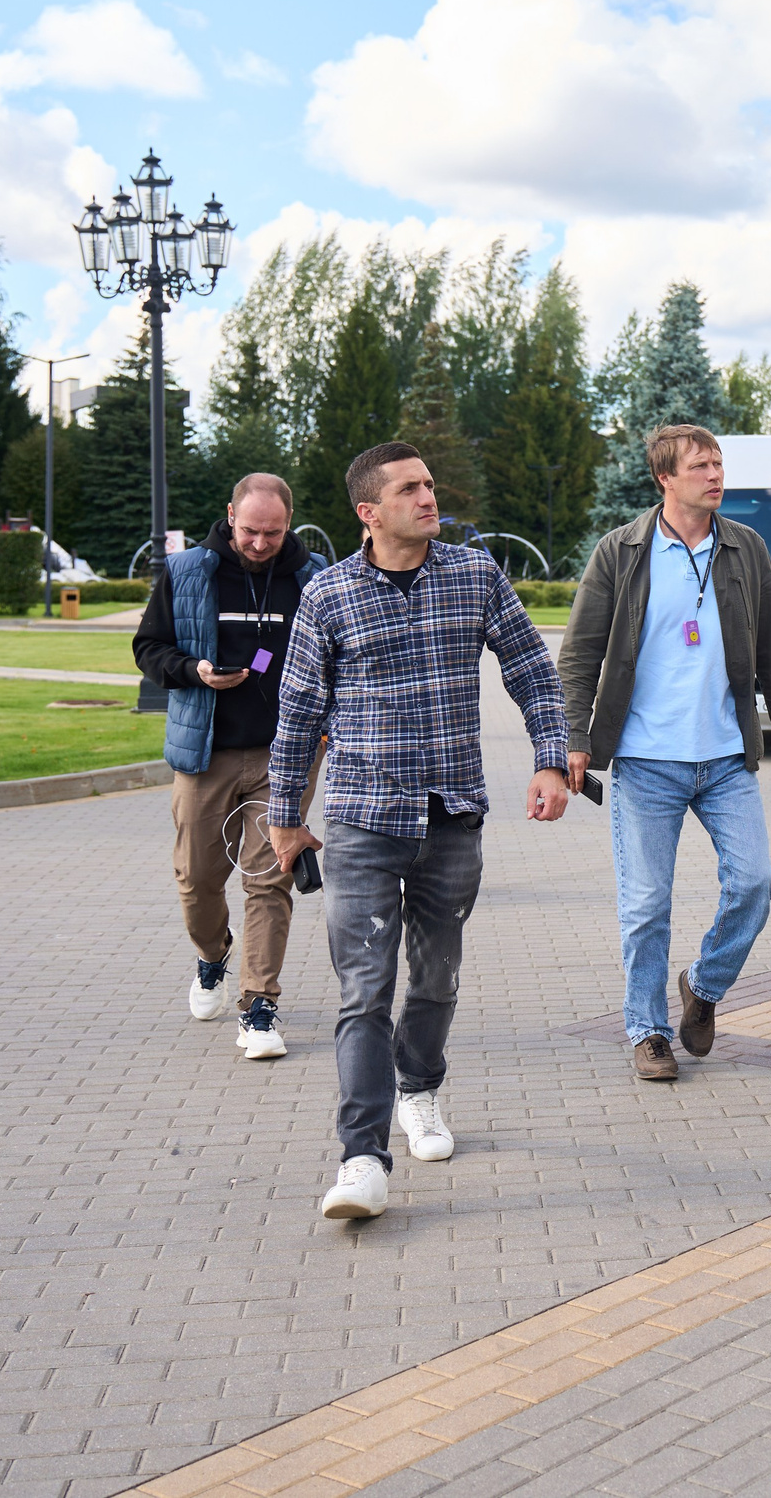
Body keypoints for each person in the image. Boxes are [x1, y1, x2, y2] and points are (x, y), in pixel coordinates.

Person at [265, 442, 573, 1221]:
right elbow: (298, 713)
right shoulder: (328, 595)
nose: (429, 497)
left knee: (435, 980)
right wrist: (283, 818)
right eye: (410, 488)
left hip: (451, 816)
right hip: (363, 820)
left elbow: (534, 671)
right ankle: (362, 1158)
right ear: (369, 511)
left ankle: (420, 1087)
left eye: (430, 484)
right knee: (364, 990)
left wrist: (548, 761)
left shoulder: (474, 575)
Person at [560, 424, 771, 1082]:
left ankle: (701, 985)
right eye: (700, 464)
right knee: (646, 905)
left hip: (726, 756)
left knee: (754, 882)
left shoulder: (746, 548)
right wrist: (575, 739)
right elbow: (580, 654)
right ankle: (648, 1030)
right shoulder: (621, 552)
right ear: (665, 478)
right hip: (646, 760)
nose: (715, 473)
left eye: (718, 462)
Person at [131, 473, 329, 1059]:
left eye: (273, 532)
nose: (261, 543)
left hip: (286, 754)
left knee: (269, 878)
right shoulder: (188, 571)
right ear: (229, 516)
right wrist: (194, 671)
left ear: (289, 522)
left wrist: (327, 725)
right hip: (205, 752)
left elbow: (342, 657)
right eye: (250, 531)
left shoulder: (314, 577)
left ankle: (259, 1008)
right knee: (196, 880)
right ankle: (214, 953)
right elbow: (149, 648)